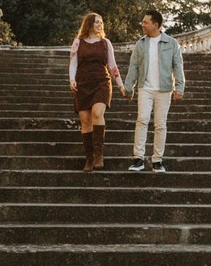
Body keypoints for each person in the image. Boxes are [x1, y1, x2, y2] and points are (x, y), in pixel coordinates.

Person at [125, 9, 185, 172]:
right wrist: (128, 86)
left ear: (155, 24)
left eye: (145, 22)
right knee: (142, 120)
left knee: (160, 125)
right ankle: (138, 159)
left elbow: (177, 66)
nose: (142, 25)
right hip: (145, 87)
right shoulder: (141, 43)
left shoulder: (171, 43)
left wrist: (179, 86)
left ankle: (157, 160)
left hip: (164, 89)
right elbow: (134, 66)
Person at [68, 12, 126, 171]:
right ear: (89, 24)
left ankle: (99, 155)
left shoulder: (105, 43)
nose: (100, 25)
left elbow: (112, 66)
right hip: (83, 82)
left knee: (97, 114)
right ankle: (89, 157)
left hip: (101, 81)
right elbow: (73, 63)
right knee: (85, 120)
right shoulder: (78, 42)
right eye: (97, 22)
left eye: (101, 22)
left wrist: (120, 85)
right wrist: (71, 79)